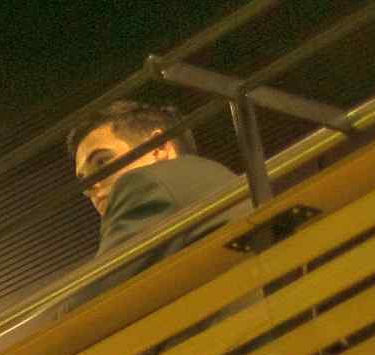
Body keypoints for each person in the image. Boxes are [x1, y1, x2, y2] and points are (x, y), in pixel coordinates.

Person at [68, 96, 249, 259]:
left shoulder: (147, 184)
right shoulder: (213, 178)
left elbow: (108, 282)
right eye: (84, 181)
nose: (91, 186)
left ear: (158, 146)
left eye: (102, 162)